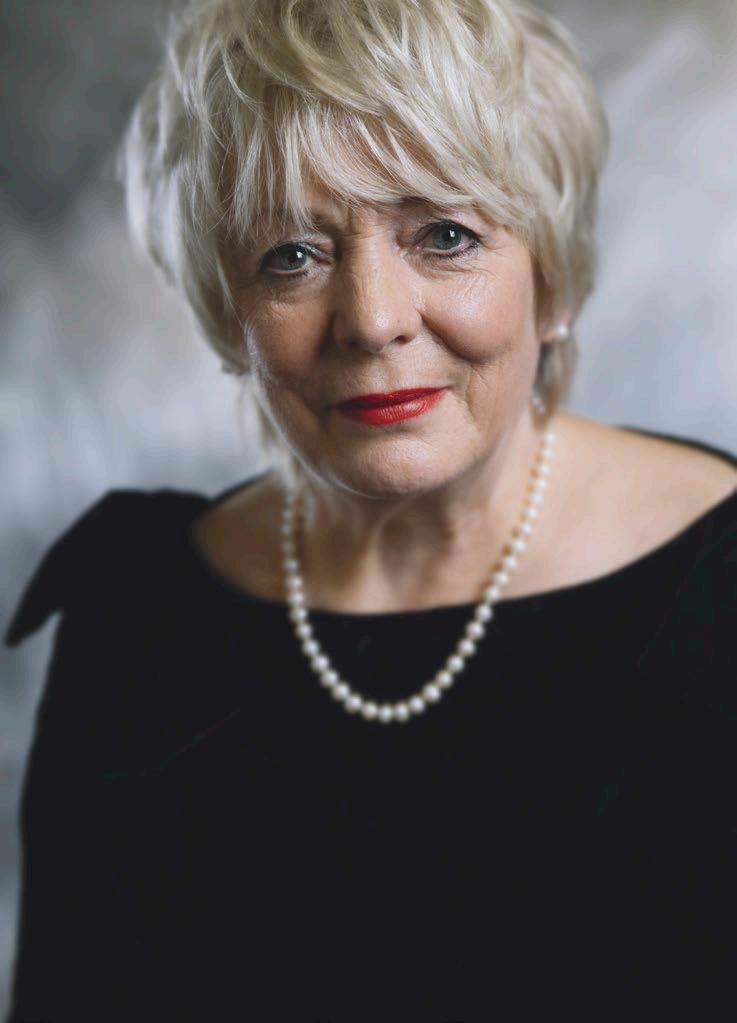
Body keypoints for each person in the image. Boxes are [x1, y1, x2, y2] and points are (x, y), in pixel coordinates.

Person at [4, 0, 737, 1019]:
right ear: (227, 314)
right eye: (291, 255)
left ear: (553, 281)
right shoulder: (134, 616)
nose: (372, 318)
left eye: (444, 235)